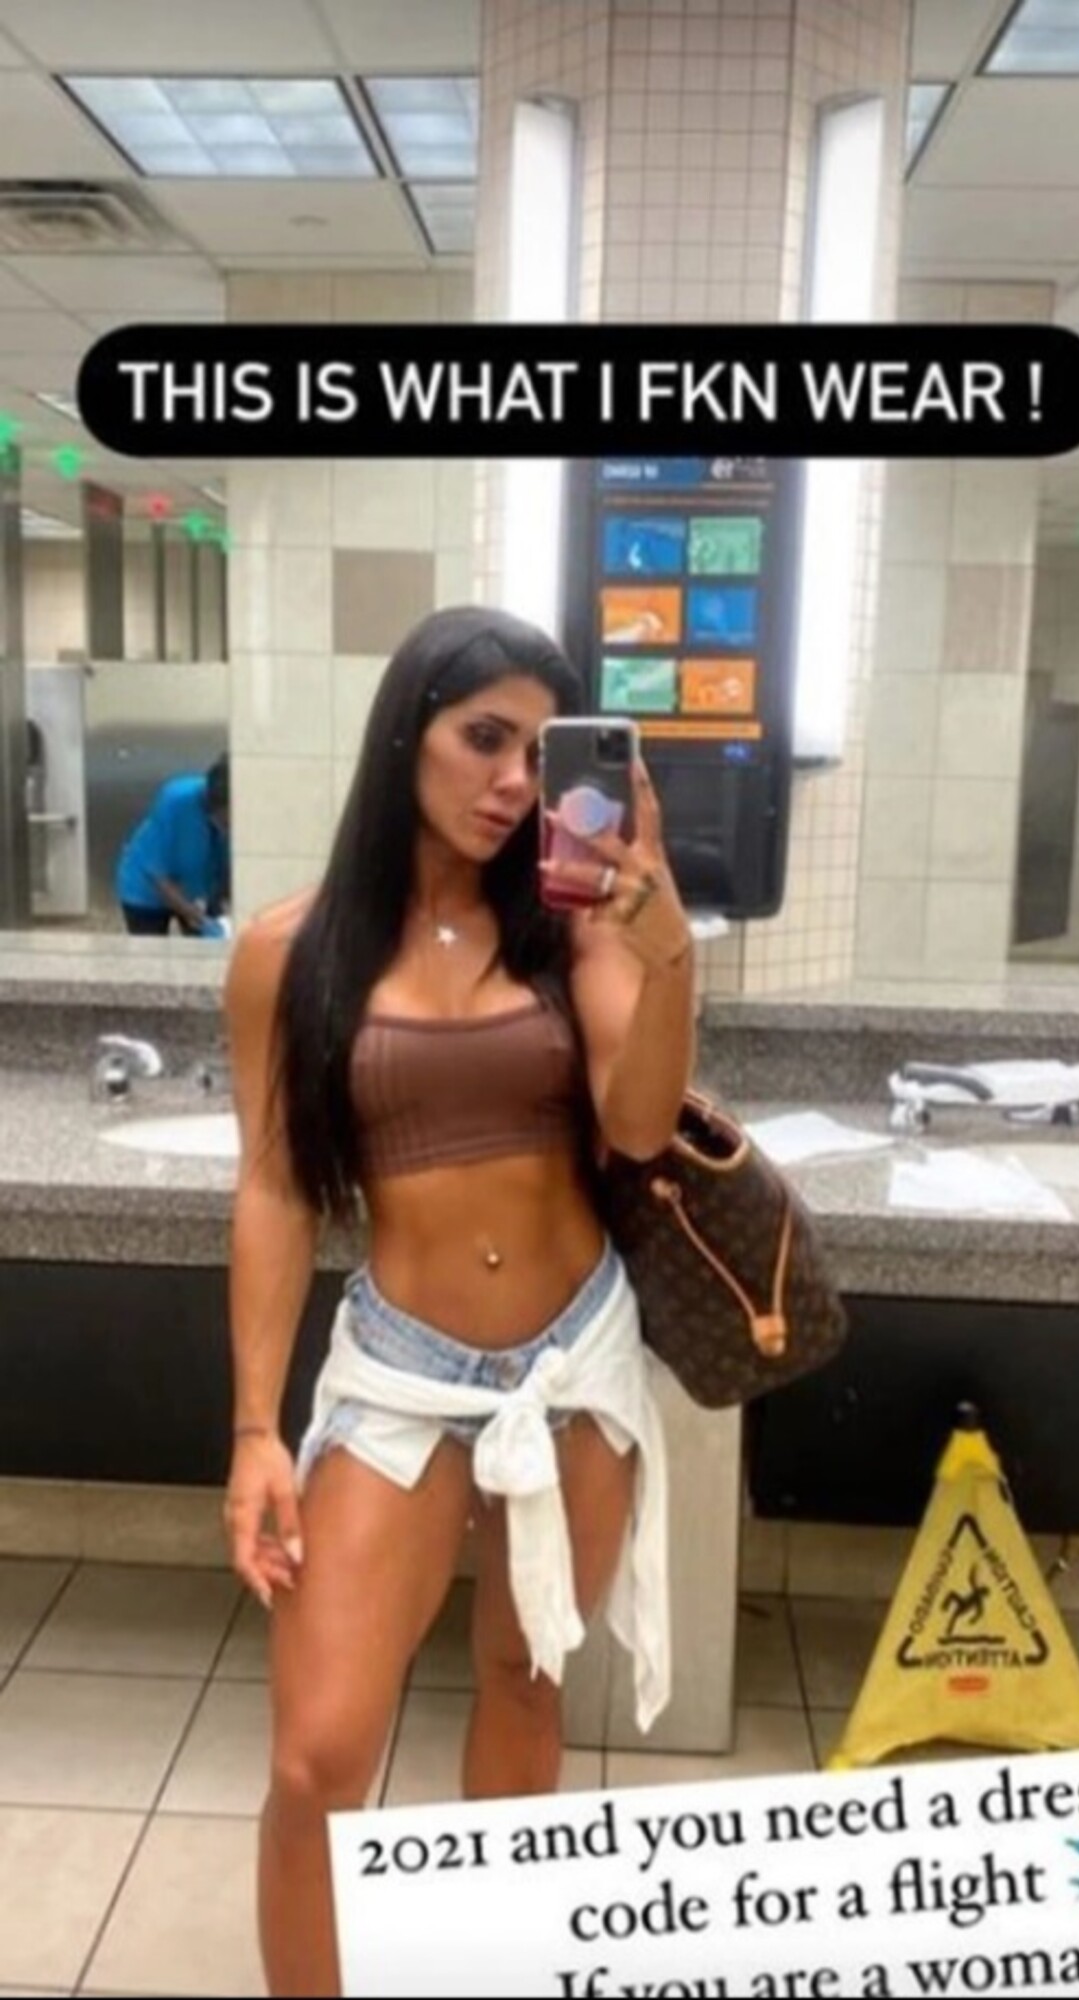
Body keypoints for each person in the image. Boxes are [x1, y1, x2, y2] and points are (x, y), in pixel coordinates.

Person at [222, 605, 695, 1999]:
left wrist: (665, 947)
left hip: (573, 1363)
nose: (513, 780)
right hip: (400, 1373)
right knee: (317, 1755)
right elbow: (274, 1188)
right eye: (483, 738)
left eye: (541, 753)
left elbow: (640, 1121)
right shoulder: (290, 951)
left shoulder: (575, 932)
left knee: (525, 1686)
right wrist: (254, 1429)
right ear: (404, 735)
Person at [115, 753, 230, 936]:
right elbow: (157, 874)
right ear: (213, 810)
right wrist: (196, 916)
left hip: (201, 885)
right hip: (147, 891)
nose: (230, 828)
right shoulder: (176, 800)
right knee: (150, 948)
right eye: (225, 822)